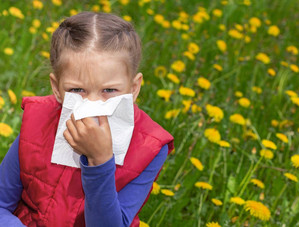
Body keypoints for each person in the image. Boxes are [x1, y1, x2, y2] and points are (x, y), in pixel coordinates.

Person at [0, 11, 174, 227]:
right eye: (77, 90)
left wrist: (100, 162)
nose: (92, 104)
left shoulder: (150, 147)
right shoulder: (37, 121)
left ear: (133, 88)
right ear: (56, 88)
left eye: (109, 90)